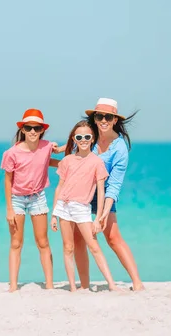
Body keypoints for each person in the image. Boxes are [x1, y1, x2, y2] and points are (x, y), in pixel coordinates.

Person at [54, 98, 144, 291]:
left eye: (108, 117)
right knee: (78, 240)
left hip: (104, 194)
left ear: (114, 120)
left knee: (112, 237)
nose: (103, 120)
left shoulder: (119, 149)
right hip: (81, 194)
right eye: (99, 116)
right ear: (94, 118)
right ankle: (84, 285)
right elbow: (77, 145)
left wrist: (103, 213)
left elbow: (114, 187)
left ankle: (137, 282)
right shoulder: (91, 135)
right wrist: (60, 149)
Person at [50, 120, 119, 292]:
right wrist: (53, 214)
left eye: (87, 136)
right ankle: (73, 288)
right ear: (74, 138)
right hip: (63, 207)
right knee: (68, 247)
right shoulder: (67, 161)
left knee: (94, 246)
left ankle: (112, 284)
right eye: (79, 136)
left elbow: (101, 192)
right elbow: (60, 187)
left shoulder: (97, 162)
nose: (83, 140)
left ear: (92, 138)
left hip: (82, 208)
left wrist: (99, 218)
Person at [0, 108, 60, 292]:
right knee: (16, 243)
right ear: (23, 129)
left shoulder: (47, 146)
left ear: (42, 129)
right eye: (29, 128)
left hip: (38, 198)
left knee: (43, 242)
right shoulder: (12, 153)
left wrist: (73, 160)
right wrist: (9, 209)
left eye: (36, 128)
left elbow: (49, 159)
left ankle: (49, 286)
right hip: (17, 200)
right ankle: (13, 287)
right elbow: (8, 180)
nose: (33, 131)